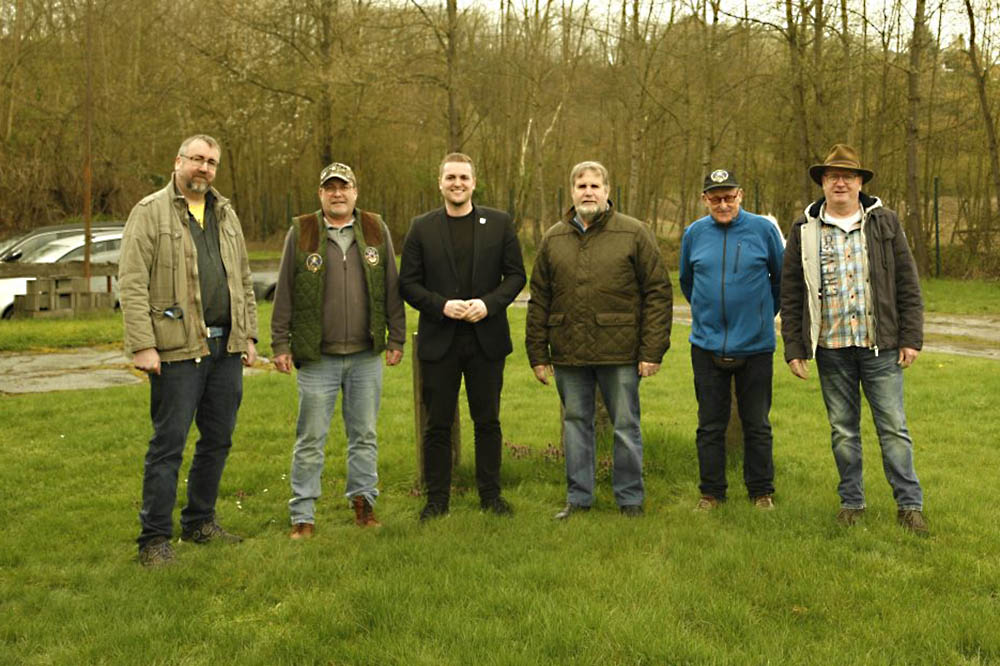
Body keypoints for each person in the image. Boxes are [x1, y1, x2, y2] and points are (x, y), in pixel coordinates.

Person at [119, 134, 258, 567]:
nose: (204, 168)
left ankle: (200, 522)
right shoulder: (150, 213)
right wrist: (143, 344)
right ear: (178, 161)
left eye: (212, 162)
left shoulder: (226, 213)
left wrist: (248, 336)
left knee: (217, 440)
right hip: (177, 350)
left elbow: (244, 280)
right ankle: (154, 540)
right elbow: (131, 282)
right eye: (197, 159)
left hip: (225, 349)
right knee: (169, 445)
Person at [781, 144, 928, 534]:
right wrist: (795, 347)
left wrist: (911, 338)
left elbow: (907, 283)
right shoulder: (804, 229)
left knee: (893, 429)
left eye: (848, 176)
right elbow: (792, 291)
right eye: (832, 176)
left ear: (860, 182)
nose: (840, 182)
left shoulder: (885, 222)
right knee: (843, 431)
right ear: (823, 183)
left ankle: (910, 506)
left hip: (880, 347)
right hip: (831, 349)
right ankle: (852, 503)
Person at [526, 160, 672, 519]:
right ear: (572, 193)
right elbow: (540, 298)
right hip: (568, 351)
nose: (588, 192)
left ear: (607, 190)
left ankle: (630, 500)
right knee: (575, 426)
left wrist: (652, 350)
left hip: (620, 352)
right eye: (581, 186)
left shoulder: (635, 233)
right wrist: (537, 354)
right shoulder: (553, 238)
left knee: (625, 426)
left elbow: (658, 292)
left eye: (595, 186)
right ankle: (578, 499)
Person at [271, 162, 406, 537]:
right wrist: (280, 342)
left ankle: (364, 505)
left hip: (366, 356)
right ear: (320, 194)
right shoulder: (304, 230)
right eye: (330, 188)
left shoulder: (376, 228)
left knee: (364, 434)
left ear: (355, 192)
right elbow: (284, 291)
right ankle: (303, 514)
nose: (337, 194)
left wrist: (396, 337)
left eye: (343, 187)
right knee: (311, 438)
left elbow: (391, 287)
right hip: (318, 358)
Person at [399, 152, 526, 520]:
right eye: (450, 178)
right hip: (440, 340)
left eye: (464, 178)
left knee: (487, 421)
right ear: (440, 183)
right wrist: (441, 305)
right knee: (437, 423)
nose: (457, 184)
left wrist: (489, 304)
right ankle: (436, 500)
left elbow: (516, 275)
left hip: (486, 338)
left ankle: (491, 496)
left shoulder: (499, 223)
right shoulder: (422, 227)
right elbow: (407, 283)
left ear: (474, 183)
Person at [679, 169, 784, 512]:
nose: (723, 204)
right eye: (715, 198)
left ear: (740, 195)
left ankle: (761, 492)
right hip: (706, 344)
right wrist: (709, 316)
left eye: (729, 197)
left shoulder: (764, 231)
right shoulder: (694, 234)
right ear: (704, 199)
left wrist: (757, 316)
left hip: (755, 345)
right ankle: (711, 493)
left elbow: (780, 281)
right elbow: (687, 281)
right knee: (710, 424)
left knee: (757, 423)